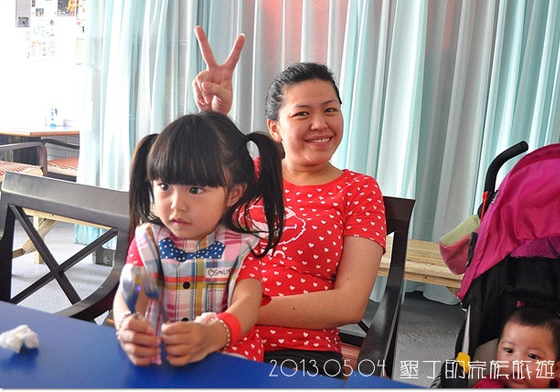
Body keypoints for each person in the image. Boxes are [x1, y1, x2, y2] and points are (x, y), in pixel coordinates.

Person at [192, 26, 387, 378]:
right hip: (213, 329)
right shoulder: (250, 172)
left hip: (299, 350)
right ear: (275, 128)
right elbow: (184, 197)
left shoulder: (359, 190)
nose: (320, 124)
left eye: (330, 110)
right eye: (302, 114)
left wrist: (241, 312)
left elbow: (350, 304)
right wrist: (215, 119)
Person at [113, 111, 285, 366]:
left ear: (233, 193)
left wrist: (214, 334)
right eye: (164, 186)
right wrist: (127, 322)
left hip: (227, 360)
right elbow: (130, 291)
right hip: (159, 358)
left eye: (195, 190)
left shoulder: (241, 247)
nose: (177, 205)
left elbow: (247, 304)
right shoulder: (148, 240)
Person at [473, 306, 560, 388]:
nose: (518, 362)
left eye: (533, 356)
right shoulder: (486, 387)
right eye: (509, 350)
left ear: (555, 369)